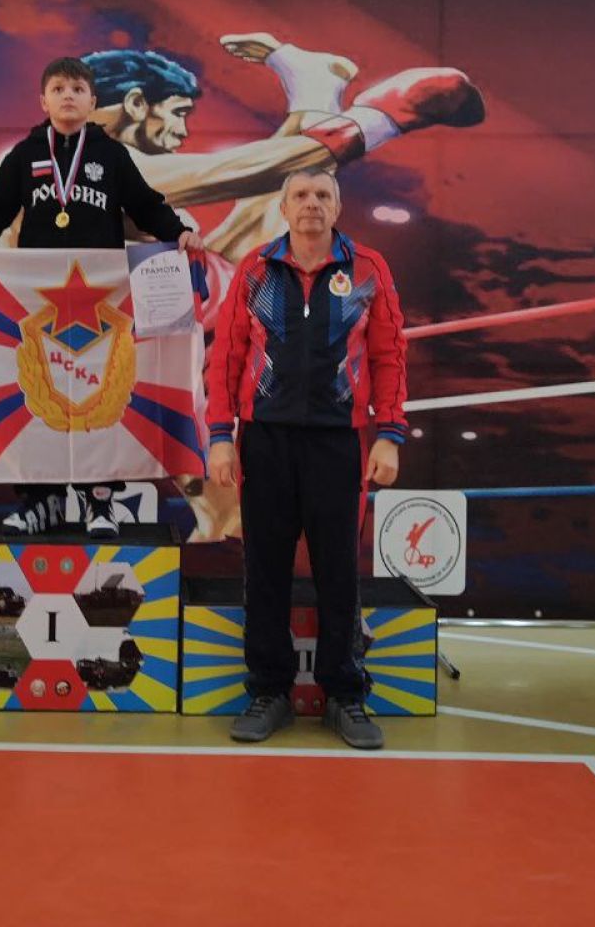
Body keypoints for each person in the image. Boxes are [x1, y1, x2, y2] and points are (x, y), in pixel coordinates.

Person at [85, 38, 481, 540]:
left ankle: (316, 87)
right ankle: (319, 90)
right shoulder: (99, 163)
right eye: (178, 114)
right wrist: (381, 118)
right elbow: (257, 167)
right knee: (270, 197)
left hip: (160, 327)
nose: (183, 132)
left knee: (257, 231)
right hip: (121, 334)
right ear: (137, 103)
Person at [0, 57, 203, 538]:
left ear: (93, 101)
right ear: (43, 100)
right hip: (40, 306)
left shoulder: (111, 156)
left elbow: (146, 207)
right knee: (41, 399)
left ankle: (100, 502)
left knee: (99, 396)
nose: (68, 96)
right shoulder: (25, 155)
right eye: (59, 88)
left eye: (78, 89)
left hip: (101, 306)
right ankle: (40, 502)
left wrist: (180, 232)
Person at [205, 167, 408, 750]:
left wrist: (390, 434)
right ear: (285, 207)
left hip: (338, 443)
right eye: (300, 195)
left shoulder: (368, 269)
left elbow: (390, 354)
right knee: (265, 569)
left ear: (337, 206)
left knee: (337, 572)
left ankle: (345, 694)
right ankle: (268, 691)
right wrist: (220, 435)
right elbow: (226, 357)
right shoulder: (255, 269)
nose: (311, 204)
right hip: (264, 441)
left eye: (322, 195)